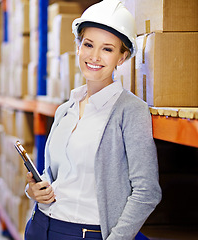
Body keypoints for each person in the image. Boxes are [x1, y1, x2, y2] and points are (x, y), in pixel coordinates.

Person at [24, 0, 162, 239]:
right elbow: (54, 174)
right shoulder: (65, 109)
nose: (94, 56)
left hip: (86, 232)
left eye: (107, 49)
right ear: (78, 47)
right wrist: (34, 189)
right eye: (88, 44)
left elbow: (147, 191)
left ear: (122, 57)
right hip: (40, 225)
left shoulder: (130, 111)